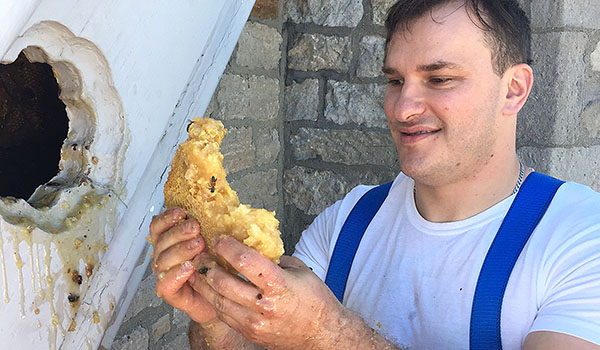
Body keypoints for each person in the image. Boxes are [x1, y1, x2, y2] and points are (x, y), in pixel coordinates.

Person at [149, 0, 600, 349]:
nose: (403, 108)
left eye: (439, 79)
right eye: (394, 80)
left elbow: (319, 336)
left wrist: (330, 333)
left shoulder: (580, 238)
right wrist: (216, 319)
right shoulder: (346, 222)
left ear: (513, 89)